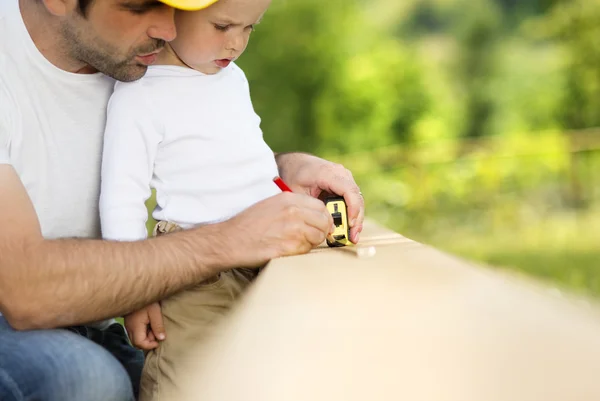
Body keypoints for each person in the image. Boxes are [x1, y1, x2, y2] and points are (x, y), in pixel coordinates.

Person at [0, 0, 365, 400]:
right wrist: (220, 243)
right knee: (89, 380)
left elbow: (192, 147)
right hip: (18, 315)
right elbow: (24, 291)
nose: (169, 29)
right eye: (140, 6)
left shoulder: (140, 56)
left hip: (95, 317)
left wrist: (284, 167)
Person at [99, 0, 345, 398]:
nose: (236, 43)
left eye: (250, 28)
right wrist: (133, 290)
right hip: (194, 275)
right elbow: (123, 197)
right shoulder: (139, 94)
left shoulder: (233, 79)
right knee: (188, 382)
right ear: (172, 12)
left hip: (270, 258)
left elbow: (250, 160)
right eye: (223, 25)